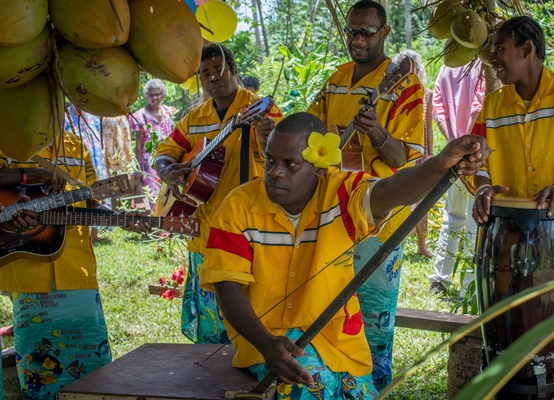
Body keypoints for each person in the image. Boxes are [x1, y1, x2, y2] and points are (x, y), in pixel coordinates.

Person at [200, 112, 489, 399]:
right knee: (308, 388)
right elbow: (227, 285)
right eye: (270, 160)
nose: (275, 171)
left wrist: (440, 164)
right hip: (270, 345)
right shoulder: (237, 206)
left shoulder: (342, 192)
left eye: (290, 164)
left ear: (320, 168)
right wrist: (264, 343)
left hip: (341, 346)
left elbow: (390, 190)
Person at [470, 16, 554, 400]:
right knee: (510, 328)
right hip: (505, 237)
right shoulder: (493, 106)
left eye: (500, 48)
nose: (493, 57)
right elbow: (477, 166)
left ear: (527, 49)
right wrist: (482, 189)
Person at [306, 0, 424, 389]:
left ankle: (372, 390)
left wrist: (376, 132)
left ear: (386, 33)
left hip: (378, 223)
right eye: (351, 31)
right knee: (327, 312)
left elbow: (406, 161)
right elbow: (311, 133)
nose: (357, 39)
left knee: (372, 321)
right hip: (329, 215)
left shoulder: (405, 85)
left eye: (366, 32)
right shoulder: (337, 78)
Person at [0, 132, 149, 399]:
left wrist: (119, 218)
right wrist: (27, 176)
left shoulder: (76, 145)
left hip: (77, 269)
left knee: (93, 375)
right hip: (29, 268)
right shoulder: (9, 139)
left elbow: (90, 199)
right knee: (39, 377)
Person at [154, 43, 283, 345]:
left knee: (251, 321)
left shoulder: (261, 108)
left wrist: (267, 140)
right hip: (205, 230)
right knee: (212, 330)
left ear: (234, 71)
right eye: (205, 73)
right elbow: (165, 152)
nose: (213, 77)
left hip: (249, 230)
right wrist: (166, 171)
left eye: (219, 69)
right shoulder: (195, 118)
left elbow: (281, 156)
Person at [428, 63, 486, 296]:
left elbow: (438, 108)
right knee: (476, 222)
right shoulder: (483, 66)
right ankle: (468, 288)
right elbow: (479, 108)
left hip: (454, 154)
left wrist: (455, 143)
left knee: (452, 218)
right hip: (477, 154)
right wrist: (468, 147)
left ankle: (440, 279)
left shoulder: (446, 67)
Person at [393, 49, 435, 258]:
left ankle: (421, 245)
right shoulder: (393, 94)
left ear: (417, 69)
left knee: (422, 201)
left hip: (420, 155)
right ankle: (395, 241)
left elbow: (428, 127)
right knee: (399, 197)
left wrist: (430, 153)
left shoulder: (426, 94)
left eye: (411, 67)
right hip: (399, 154)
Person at [64, 105, 110, 243]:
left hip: (95, 159)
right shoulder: (66, 118)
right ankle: (83, 233)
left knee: (98, 192)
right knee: (81, 194)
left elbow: (99, 138)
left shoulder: (93, 116)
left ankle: (95, 234)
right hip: (76, 160)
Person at [129, 79, 177, 199]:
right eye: (151, 95)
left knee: (169, 192)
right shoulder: (141, 116)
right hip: (150, 162)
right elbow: (139, 145)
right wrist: (139, 168)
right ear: (146, 96)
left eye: (157, 94)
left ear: (162, 95)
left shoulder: (167, 112)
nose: (154, 98)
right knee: (153, 194)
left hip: (168, 157)